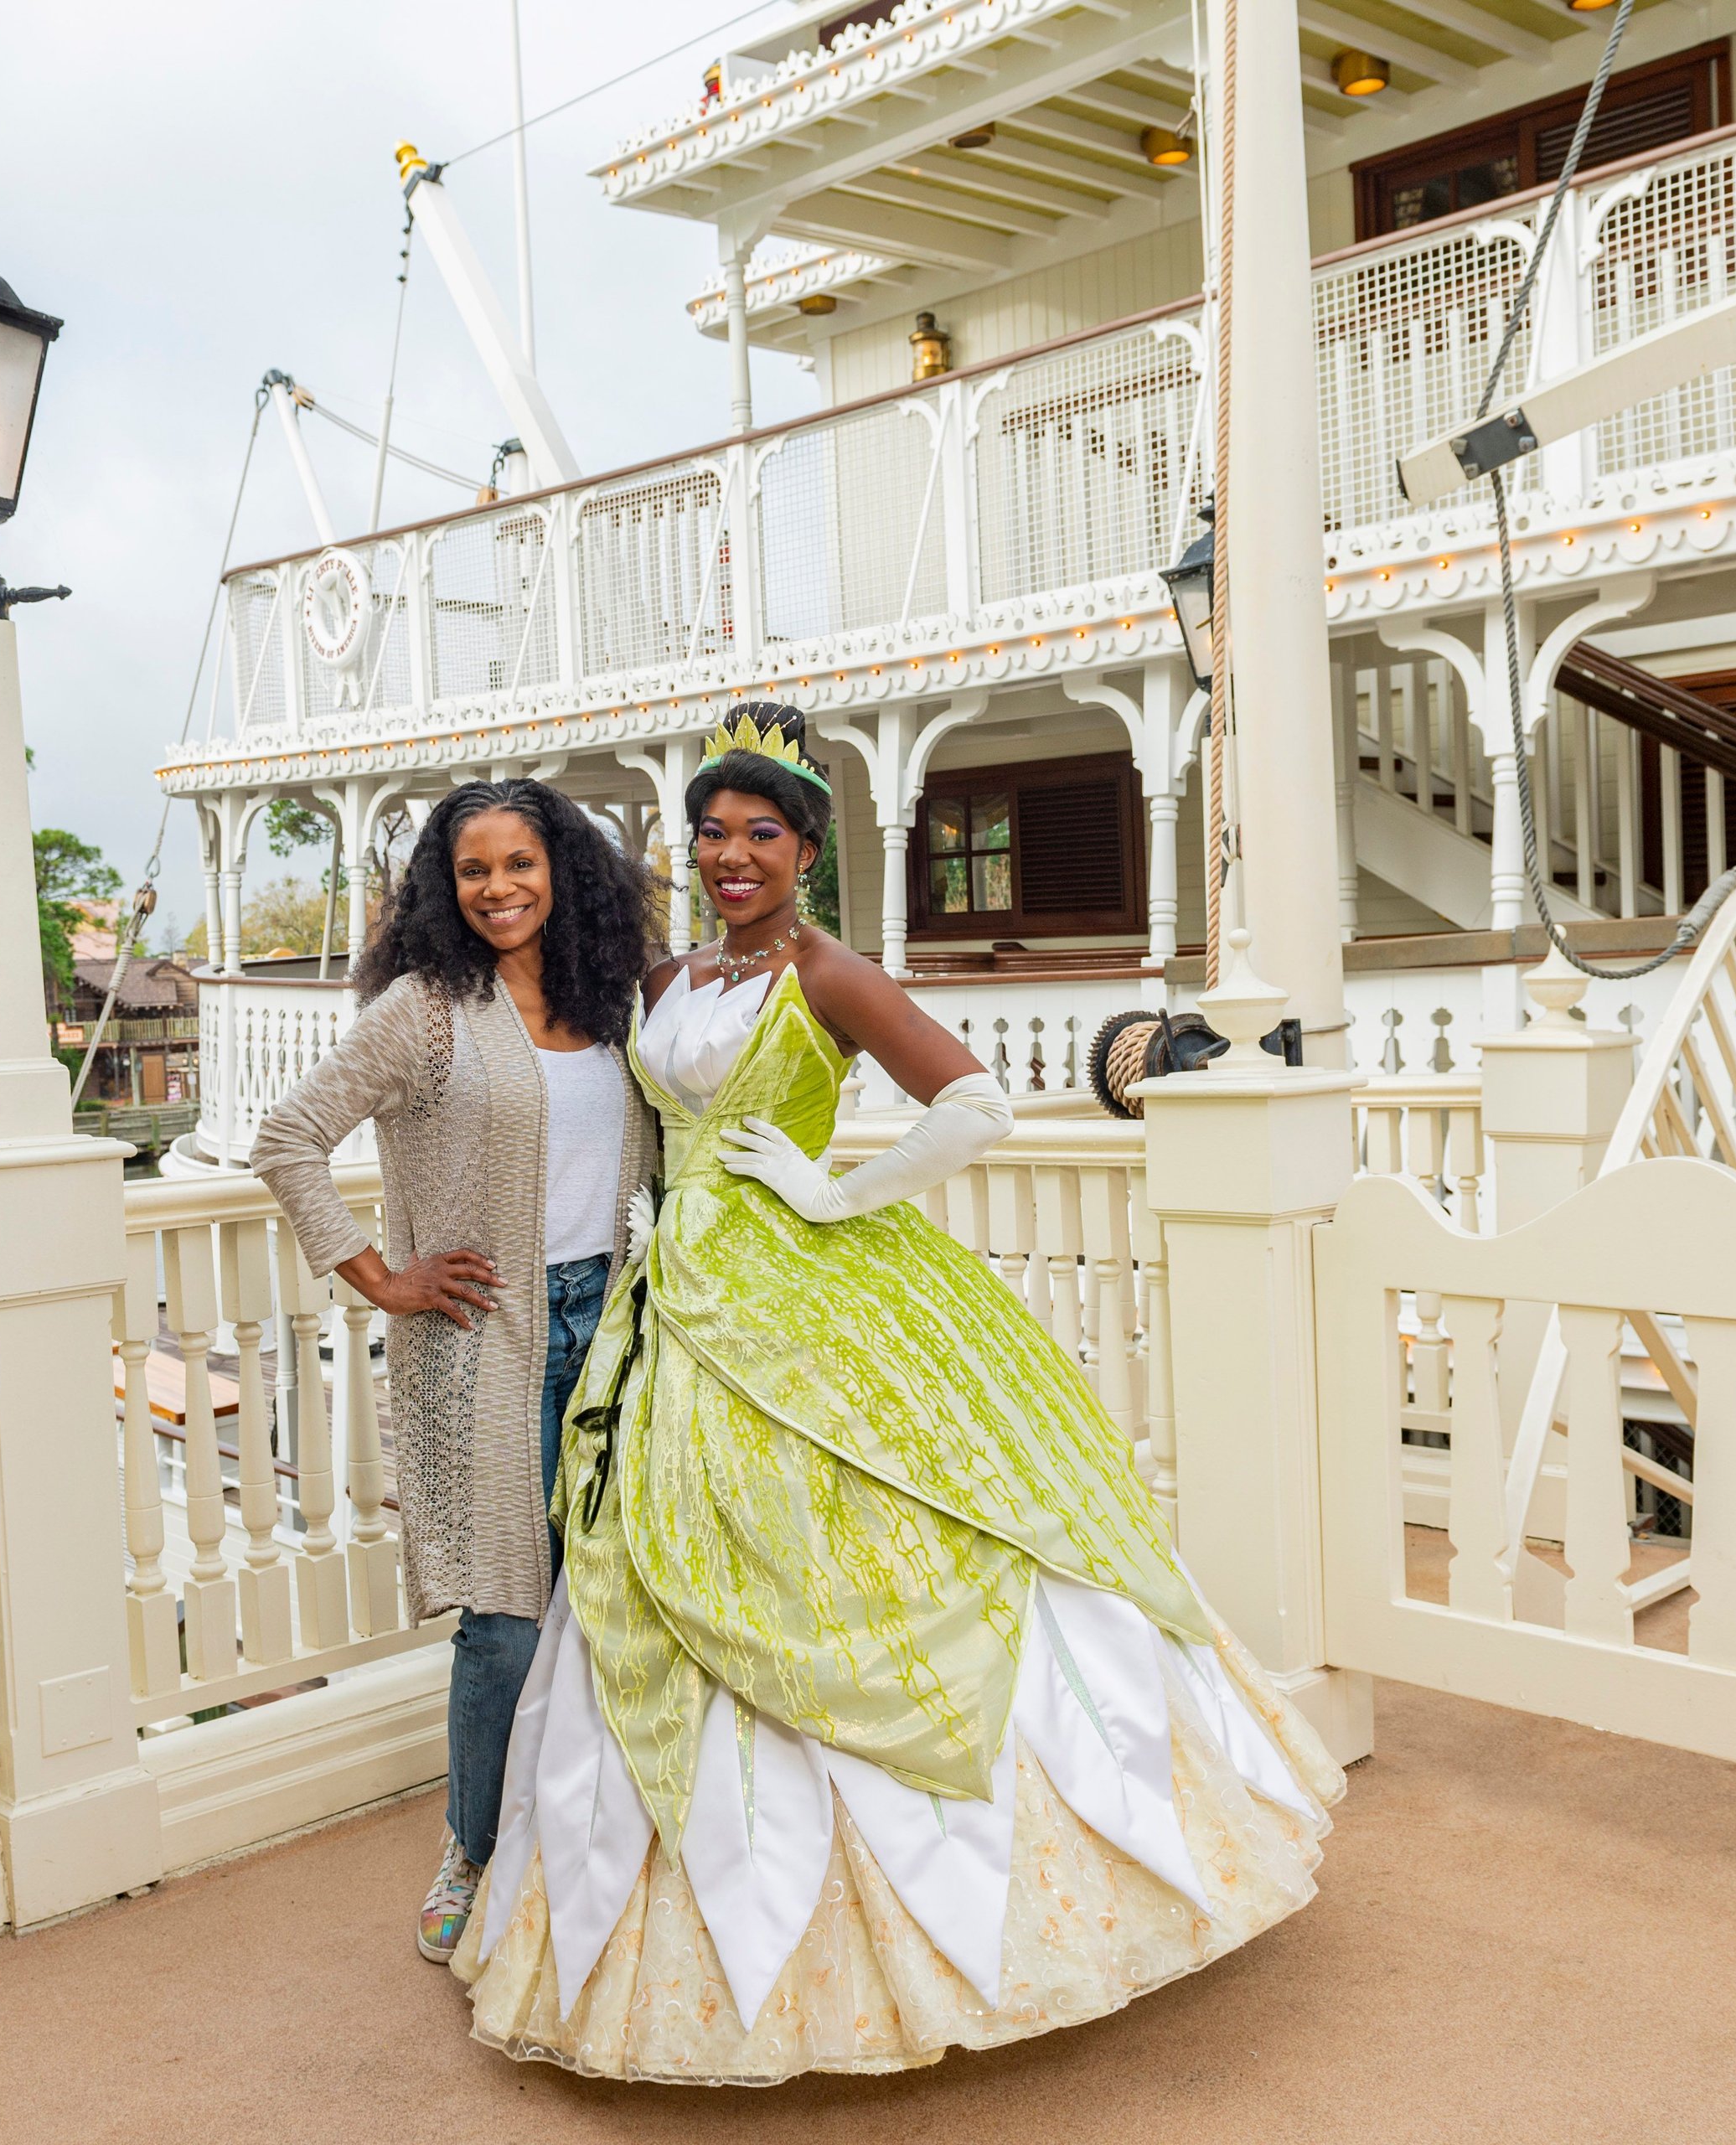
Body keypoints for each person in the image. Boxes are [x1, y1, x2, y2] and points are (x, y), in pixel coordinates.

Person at [449, 706, 1344, 2082]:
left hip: (805, 1285)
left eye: (762, 834)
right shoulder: (664, 971)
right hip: (679, 1296)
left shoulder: (829, 973)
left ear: (807, 848)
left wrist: (833, 1189)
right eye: (714, 833)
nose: (733, 855)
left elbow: (976, 1104)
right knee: (663, 1560)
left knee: (894, 1540)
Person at [251, 780, 661, 1967]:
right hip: (483, 1335)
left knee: (623, 1595)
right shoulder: (427, 1012)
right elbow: (290, 1138)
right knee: (503, 1620)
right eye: (474, 869)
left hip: (619, 1325)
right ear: (446, 883)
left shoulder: (612, 1000)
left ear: (562, 871)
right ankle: (472, 1849)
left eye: (520, 863)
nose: (498, 889)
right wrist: (381, 1278)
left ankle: (601, 1831)